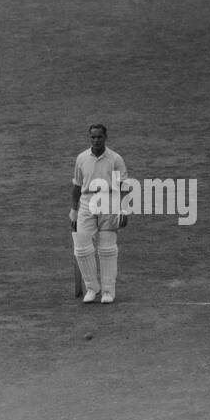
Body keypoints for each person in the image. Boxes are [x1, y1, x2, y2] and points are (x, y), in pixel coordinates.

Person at [69, 124, 130, 304]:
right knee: (80, 246)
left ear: (105, 137)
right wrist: (74, 210)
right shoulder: (81, 158)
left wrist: (124, 209)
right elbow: (77, 186)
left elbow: (123, 186)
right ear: (89, 138)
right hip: (87, 203)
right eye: (92, 137)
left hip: (109, 203)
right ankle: (91, 288)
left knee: (107, 248)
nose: (96, 140)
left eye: (99, 137)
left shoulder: (115, 159)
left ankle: (108, 291)